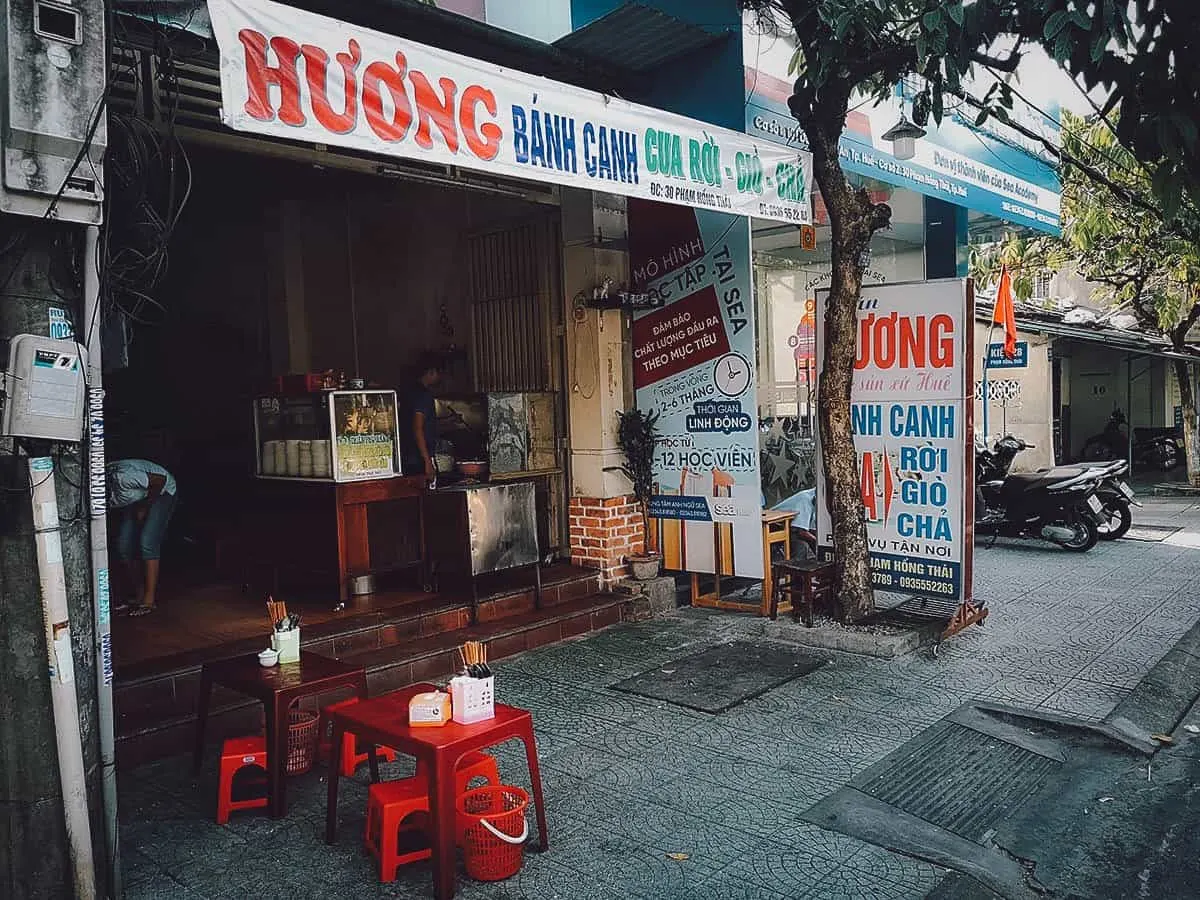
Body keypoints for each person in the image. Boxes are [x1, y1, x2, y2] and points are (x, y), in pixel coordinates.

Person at [107, 458, 177, 616]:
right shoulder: (101, 495)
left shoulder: (123, 478)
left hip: (162, 490)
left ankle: (149, 600)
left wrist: (145, 507)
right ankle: (139, 595)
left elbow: (160, 480)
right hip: (137, 496)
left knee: (147, 542)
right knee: (123, 546)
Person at [400, 353, 443, 484]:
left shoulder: (408, 391)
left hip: (406, 456)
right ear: (431, 372)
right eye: (438, 373)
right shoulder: (423, 395)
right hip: (417, 459)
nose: (439, 377)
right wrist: (427, 461)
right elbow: (417, 428)